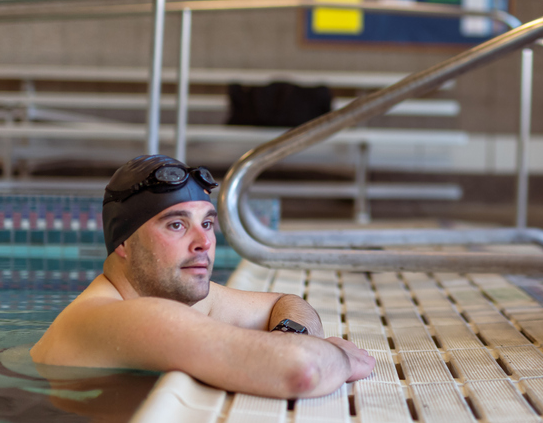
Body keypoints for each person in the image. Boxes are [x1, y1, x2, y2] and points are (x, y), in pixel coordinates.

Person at [30, 155, 375, 398]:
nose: (204, 242)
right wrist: (342, 356)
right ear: (123, 242)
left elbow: (288, 303)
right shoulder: (117, 316)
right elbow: (301, 370)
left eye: (207, 223)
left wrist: (285, 337)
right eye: (177, 225)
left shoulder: (171, 297)